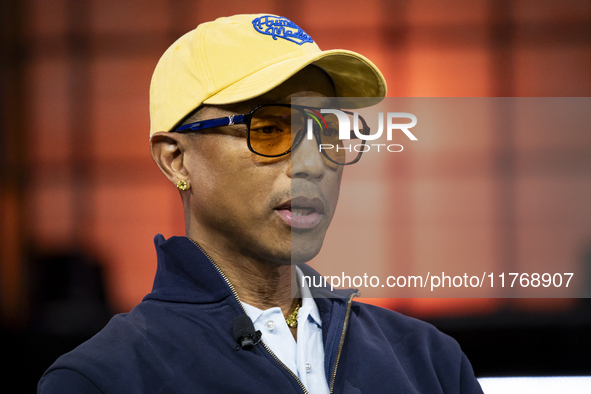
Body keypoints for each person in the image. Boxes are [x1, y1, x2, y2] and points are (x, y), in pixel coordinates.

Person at [38, 14, 484, 393]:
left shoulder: (430, 362)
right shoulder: (105, 378)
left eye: (327, 130)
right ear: (176, 160)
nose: (312, 163)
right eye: (270, 129)